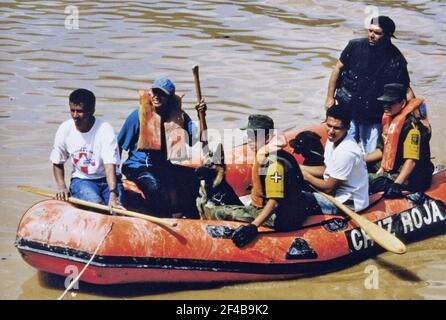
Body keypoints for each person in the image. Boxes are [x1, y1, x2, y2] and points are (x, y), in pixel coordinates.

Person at [210, 114, 312, 247]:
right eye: (249, 136)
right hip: (291, 209)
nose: (250, 141)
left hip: (280, 217)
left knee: (218, 212)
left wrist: (253, 226)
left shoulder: (273, 165)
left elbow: (274, 202)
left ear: (268, 138)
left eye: (254, 137)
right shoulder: (277, 154)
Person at [118, 77, 206, 216]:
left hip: (162, 166)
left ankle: (190, 215)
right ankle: (162, 219)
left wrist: (201, 115)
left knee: (195, 177)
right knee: (153, 185)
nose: (157, 97)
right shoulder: (137, 116)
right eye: (155, 92)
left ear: (170, 98)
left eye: (162, 94)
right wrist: (114, 174)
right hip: (138, 166)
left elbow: (199, 138)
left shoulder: (179, 116)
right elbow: (118, 146)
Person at [325, 16, 413, 154]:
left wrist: (421, 118)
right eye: (370, 31)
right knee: (339, 149)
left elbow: (406, 89)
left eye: (377, 33)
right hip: (348, 109)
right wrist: (329, 98)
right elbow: (337, 69)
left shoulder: (396, 59)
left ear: (388, 35)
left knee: (370, 153)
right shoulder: (354, 46)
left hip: (373, 115)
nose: (371, 35)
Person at [51, 88, 123, 209]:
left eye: (79, 111)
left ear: (92, 111)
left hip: (108, 180)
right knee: (95, 205)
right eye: (72, 110)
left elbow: (110, 165)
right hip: (82, 179)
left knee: (116, 210)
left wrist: (113, 194)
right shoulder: (65, 129)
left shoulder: (105, 130)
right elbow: (57, 161)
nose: (75, 116)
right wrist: (62, 187)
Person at [367, 83, 434, 198]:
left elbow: (411, 161)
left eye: (390, 103)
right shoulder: (390, 122)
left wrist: (397, 184)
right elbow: (382, 151)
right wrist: (359, 160)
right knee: (363, 167)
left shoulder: (412, 128)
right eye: (384, 102)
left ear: (402, 103)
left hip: (414, 177)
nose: (386, 106)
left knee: (367, 179)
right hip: (397, 165)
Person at [301, 105, 369, 214]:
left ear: (347, 128)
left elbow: (329, 188)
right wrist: (300, 168)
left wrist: (306, 176)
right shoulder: (333, 139)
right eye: (329, 125)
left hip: (346, 202)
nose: (331, 131)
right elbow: (327, 169)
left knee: (295, 200)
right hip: (335, 191)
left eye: (336, 128)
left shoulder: (347, 152)